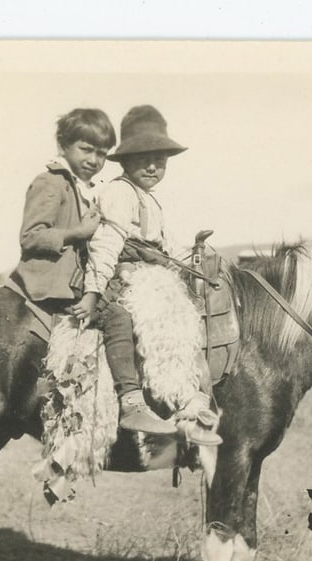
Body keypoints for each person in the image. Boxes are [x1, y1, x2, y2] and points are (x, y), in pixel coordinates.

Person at [70, 105, 222, 446]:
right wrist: (93, 292)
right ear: (125, 161)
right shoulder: (119, 193)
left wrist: (197, 257)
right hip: (120, 276)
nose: (152, 166)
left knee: (187, 317)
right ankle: (131, 401)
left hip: (149, 276)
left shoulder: (150, 201)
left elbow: (168, 248)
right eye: (142, 158)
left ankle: (192, 402)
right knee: (130, 314)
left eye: (160, 159)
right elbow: (107, 244)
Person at [10, 108, 116, 313]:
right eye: (85, 149)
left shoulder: (91, 191)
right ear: (62, 145)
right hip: (49, 288)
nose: (94, 160)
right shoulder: (51, 182)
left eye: (101, 154)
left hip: (75, 286)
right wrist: (78, 233)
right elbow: (30, 236)